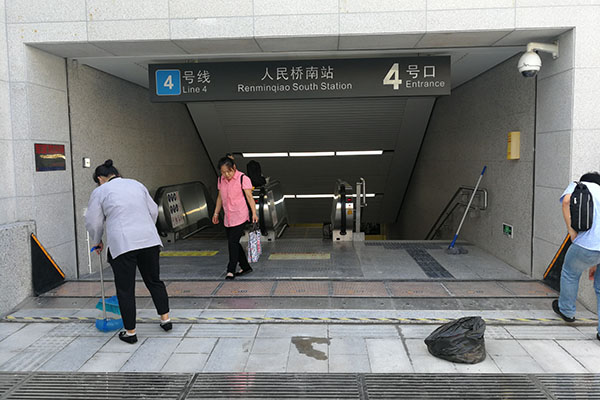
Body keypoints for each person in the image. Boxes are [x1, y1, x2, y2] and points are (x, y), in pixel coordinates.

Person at [85, 160, 171, 344]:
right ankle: (165, 320)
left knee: (125, 289)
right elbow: (154, 210)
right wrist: (145, 226)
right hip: (149, 240)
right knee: (154, 280)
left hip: (123, 244)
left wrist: (97, 240)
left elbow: (94, 222)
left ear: (100, 178)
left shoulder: (100, 191)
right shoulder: (136, 184)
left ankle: (130, 332)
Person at [553, 172, 600, 341]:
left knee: (570, 273)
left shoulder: (580, 185)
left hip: (586, 244)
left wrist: (571, 231)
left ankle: (566, 311)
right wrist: (594, 264)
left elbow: (566, 201)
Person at [212, 156, 259, 279]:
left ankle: (231, 269)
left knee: (232, 242)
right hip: (228, 216)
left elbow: (249, 197)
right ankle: (246, 267)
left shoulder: (243, 178)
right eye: (223, 172)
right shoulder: (220, 180)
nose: (226, 174)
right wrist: (216, 213)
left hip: (240, 215)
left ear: (234, 168)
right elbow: (220, 197)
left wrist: (254, 213)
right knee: (235, 243)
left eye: (228, 171)